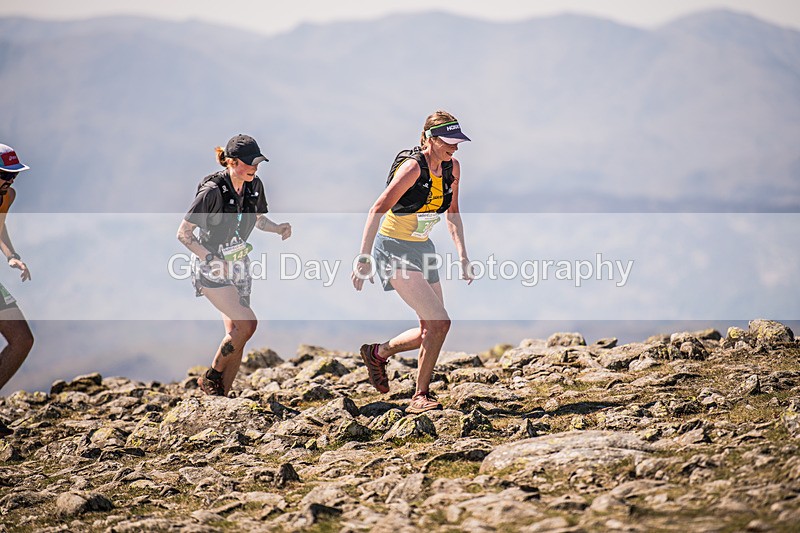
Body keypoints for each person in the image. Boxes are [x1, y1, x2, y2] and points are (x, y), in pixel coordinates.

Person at [352, 111, 473, 414]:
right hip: (394, 248)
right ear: (431, 140)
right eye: (449, 142)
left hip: (424, 248)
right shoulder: (412, 169)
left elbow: (453, 212)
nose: (455, 148)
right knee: (440, 322)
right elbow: (377, 209)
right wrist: (364, 256)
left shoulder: (452, 167)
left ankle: (378, 353)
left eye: (457, 142)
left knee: (432, 330)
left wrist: (462, 254)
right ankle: (420, 396)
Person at [177, 134, 291, 397]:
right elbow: (184, 234)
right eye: (250, 163)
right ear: (231, 162)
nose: (255, 167)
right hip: (211, 267)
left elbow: (257, 219)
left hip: (240, 265)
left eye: (258, 163)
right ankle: (212, 375)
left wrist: (277, 229)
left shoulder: (254, 184)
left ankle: (220, 397)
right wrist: (210, 260)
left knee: (237, 335)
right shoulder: (212, 192)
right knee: (248, 325)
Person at [0, 144, 34, 437]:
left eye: (14, 175)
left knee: (22, 339)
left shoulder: (5, 196)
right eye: (4, 174)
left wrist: (11, 255)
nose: (9, 181)